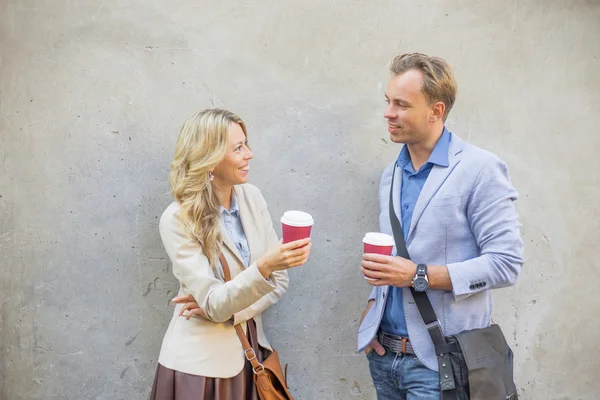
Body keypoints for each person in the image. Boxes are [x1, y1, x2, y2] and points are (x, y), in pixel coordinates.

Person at [357, 53, 524, 399]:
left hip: (441, 362)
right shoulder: (391, 175)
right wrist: (371, 320)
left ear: (436, 110)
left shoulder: (480, 169)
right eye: (388, 102)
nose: (388, 113)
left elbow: (506, 264)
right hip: (386, 358)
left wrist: (419, 275)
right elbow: (393, 261)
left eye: (401, 105)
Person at [151, 108, 311, 399]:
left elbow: (279, 283)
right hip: (199, 370)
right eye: (238, 148)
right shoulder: (177, 220)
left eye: (246, 144)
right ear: (209, 158)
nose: (249, 154)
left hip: (252, 358)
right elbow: (216, 302)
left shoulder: (252, 198)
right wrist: (263, 269)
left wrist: (229, 310)